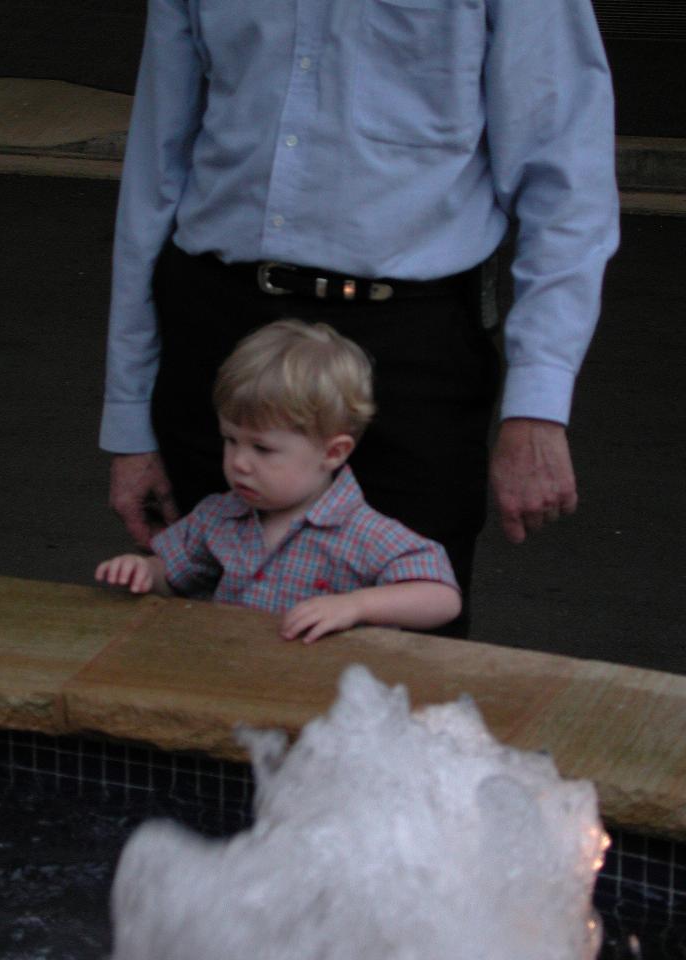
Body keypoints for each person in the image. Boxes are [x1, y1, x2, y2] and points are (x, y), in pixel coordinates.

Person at [99, 0, 620, 636]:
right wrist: (130, 424)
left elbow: (567, 183)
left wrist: (536, 409)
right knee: (197, 649)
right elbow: (156, 168)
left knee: (403, 674)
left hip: (406, 348)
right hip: (221, 334)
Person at [96, 321, 462, 643]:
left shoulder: (364, 533)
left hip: (324, 704)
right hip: (227, 681)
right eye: (230, 440)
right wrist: (144, 572)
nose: (239, 462)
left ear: (333, 452)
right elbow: (173, 576)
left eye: (263, 449)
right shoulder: (219, 517)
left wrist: (356, 606)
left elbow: (441, 597)